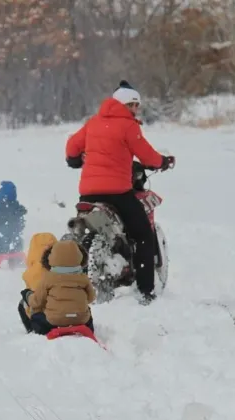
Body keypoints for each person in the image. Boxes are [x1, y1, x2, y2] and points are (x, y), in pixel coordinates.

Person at [64, 80, 175, 305]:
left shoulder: (93, 123)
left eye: (137, 105)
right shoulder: (128, 126)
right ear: (123, 105)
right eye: (132, 104)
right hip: (117, 192)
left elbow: (71, 148)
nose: (136, 109)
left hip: (88, 195)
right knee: (143, 234)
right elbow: (147, 156)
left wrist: (75, 160)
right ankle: (146, 292)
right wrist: (162, 161)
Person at [26, 239, 97, 335]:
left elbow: (37, 301)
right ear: (79, 256)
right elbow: (91, 298)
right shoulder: (83, 278)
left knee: (36, 317)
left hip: (54, 321)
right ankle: (89, 329)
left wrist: (28, 296)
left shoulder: (48, 278)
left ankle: (35, 333)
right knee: (87, 312)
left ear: (52, 257)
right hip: (80, 319)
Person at [17, 232, 57, 332]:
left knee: (22, 303)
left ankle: (31, 329)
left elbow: (37, 299)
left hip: (45, 318)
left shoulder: (31, 273)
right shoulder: (62, 267)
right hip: (64, 311)